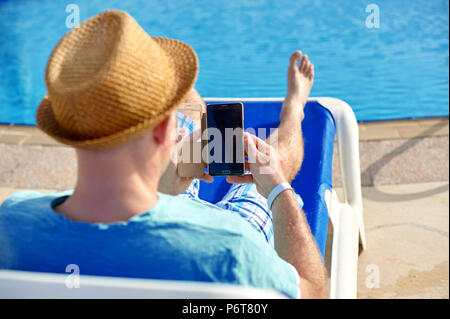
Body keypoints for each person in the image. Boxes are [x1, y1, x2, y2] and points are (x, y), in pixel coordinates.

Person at [0, 10, 327, 298]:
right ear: (161, 130)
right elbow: (314, 292)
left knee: (191, 108)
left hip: (151, 202)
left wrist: (166, 194)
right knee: (269, 164)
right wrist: (277, 189)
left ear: (71, 133)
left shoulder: (11, 222)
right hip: (204, 234)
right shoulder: (231, 248)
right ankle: (293, 112)